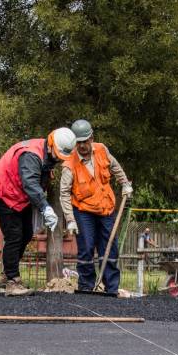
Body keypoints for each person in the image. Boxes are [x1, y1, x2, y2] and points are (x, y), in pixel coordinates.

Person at [0, 127, 76, 296]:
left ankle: (7, 273)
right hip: (3, 191)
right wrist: (45, 207)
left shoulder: (48, 155)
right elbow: (30, 183)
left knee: (27, 233)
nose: (59, 159)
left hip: (19, 194)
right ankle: (12, 281)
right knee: (14, 234)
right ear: (51, 144)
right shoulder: (31, 155)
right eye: (58, 154)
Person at [60, 119, 132, 295]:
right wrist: (70, 219)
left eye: (85, 141)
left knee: (109, 247)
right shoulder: (69, 164)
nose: (82, 145)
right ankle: (86, 286)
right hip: (83, 211)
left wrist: (124, 184)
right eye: (79, 142)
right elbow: (64, 194)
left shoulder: (101, 150)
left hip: (106, 208)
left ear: (91, 138)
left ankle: (111, 287)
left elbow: (115, 167)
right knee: (86, 247)